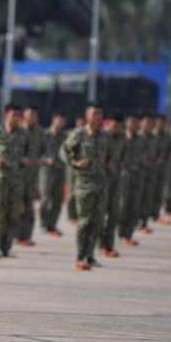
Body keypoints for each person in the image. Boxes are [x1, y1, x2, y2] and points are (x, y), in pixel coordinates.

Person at [61, 102, 108, 270]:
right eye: (95, 113)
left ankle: (91, 255)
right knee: (85, 220)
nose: (98, 117)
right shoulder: (78, 134)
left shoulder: (104, 135)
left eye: (100, 113)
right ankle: (81, 254)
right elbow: (64, 151)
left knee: (97, 221)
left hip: (101, 184)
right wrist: (75, 163)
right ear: (87, 115)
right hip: (84, 184)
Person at [0, 103, 28, 259]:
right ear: (6, 116)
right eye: (13, 115)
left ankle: (7, 245)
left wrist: (27, 160)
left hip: (17, 179)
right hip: (1, 178)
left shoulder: (23, 133)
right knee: (1, 213)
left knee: (14, 213)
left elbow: (32, 152)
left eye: (18, 115)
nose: (16, 118)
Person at [98, 113, 126, 257]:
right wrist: (105, 164)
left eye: (119, 126)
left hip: (116, 179)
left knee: (114, 212)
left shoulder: (123, 137)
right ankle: (100, 242)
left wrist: (122, 162)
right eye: (114, 125)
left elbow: (125, 154)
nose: (116, 128)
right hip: (102, 180)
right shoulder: (102, 136)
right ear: (109, 123)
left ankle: (109, 244)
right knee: (101, 213)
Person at [17, 105, 44, 246]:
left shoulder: (40, 132)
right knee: (17, 205)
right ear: (24, 115)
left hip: (33, 175)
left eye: (35, 114)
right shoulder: (18, 130)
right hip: (18, 174)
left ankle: (26, 235)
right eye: (30, 114)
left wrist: (43, 159)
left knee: (29, 206)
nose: (33, 117)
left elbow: (47, 149)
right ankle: (16, 234)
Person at [39, 111, 67, 237]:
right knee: (45, 198)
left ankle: (53, 224)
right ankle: (44, 223)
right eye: (58, 120)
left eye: (62, 121)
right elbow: (36, 151)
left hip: (60, 170)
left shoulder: (65, 137)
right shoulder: (44, 135)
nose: (60, 123)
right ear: (53, 120)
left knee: (57, 199)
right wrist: (45, 159)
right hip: (47, 171)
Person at [118, 114, 143, 247]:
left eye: (136, 122)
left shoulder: (141, 139)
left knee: (134, 207)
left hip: (137, 175)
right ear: (126, 123)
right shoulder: (121, 137)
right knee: (122, 206)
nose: (134, 124)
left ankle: (128, 234)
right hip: (124, 175)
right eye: (131, 121)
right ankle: (120, 232)